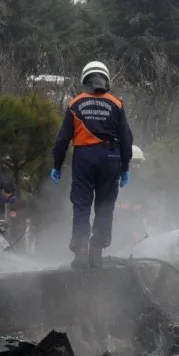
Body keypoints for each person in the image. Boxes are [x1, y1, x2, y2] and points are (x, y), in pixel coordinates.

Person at [51, 60, 134, 269]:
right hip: (110, 159)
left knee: (82, 204)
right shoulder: (116, 104)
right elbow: (126, 138)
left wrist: (57, 165)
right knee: (105, 206)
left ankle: (80, 252)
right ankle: (96, 252)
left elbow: (62, 140)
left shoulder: (74, 104)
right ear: (105, 78)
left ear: (84, 78)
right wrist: (125, 168)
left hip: (84, 158)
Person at [112, 145, 147, 254]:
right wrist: (129, 232)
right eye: (134, 163)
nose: (136, 167)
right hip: (117, 232)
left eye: (138, 164)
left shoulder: (142, 184)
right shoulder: (116, 182)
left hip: (136, 230)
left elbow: (143, 210)